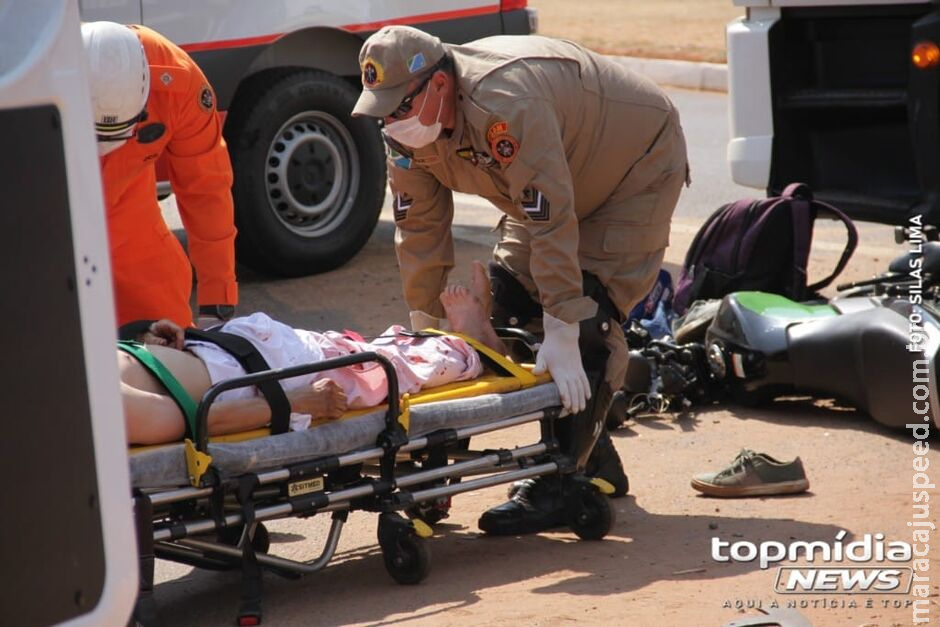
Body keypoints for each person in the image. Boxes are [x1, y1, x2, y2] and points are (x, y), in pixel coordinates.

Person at [351, 26, 689, 534]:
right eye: (382, 111)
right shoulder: (407, 131)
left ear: (438, 86)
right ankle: (590, 452)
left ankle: (562, 482)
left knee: (585, 319)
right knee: (501, 305)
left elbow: (551, 220)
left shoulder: (505, 106)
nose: (391, 122)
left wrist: (559, 324)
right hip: (555, 177)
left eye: (399, 107)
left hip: (630, 170)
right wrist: (426, 336)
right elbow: (419, 229)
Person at [119, 274, 497, 445]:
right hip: (261, 371)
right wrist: (297, 403)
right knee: (378, 368)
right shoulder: (109, 409)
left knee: (376, 363)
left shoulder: (81, 380)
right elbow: (203, 419)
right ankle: (473, 346)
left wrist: (144, 335)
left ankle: (472, 345)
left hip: (238, 351)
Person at [82, 21, 238, 328]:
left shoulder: (180, 84)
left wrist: (216, 303)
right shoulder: (33, 76)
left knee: (172, 346)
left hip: (133, 230)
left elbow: (207, 191)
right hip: (48, 220)